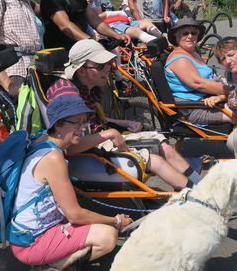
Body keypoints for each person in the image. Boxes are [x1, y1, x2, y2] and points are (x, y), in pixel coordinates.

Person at [11, 89, 132, 271]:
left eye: (84, 121)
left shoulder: (44, 140)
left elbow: (74, 148)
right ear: (58, 124)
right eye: (76, 123)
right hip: (32, 241)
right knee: (107, 237)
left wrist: (108, 133)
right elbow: (75, 215)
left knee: (97, 225)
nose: (83, 128)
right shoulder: (53, 159)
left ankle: (55, 258)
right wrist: (115, 220)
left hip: (25, 232)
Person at [47, 40, 205, 188]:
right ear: (81, 70)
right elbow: (68, 147)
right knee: (155, 160)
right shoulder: (68, 97)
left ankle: (202, 188)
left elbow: (91, 121)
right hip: (87, 155)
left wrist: (121, 124)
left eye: (108, 63)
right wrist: (110, 133)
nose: (108, 68)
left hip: (97, 140)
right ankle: (199, 198)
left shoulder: (84, 86)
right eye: (101, 65)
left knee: (163, 144)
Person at [164, 18, 232, 125]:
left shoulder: (193, 53)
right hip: (194, 108)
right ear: (177, 38)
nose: (190, 36)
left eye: (194, 33)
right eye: (185, 33)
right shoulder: (179, 59)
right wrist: (232, 92)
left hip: (209, 100)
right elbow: (199, 84)